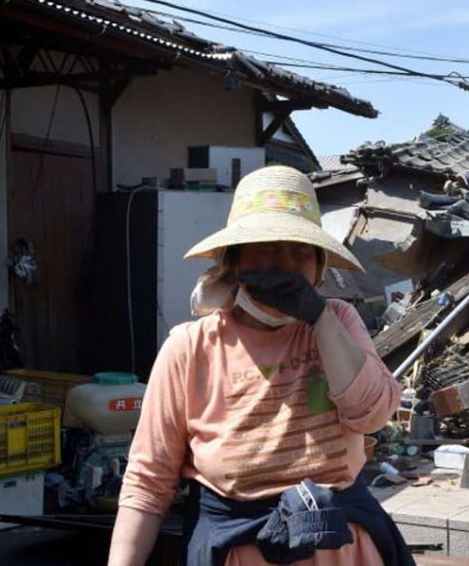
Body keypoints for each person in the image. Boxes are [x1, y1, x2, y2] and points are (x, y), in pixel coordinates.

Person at [108, 165, 412, 566]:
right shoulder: (191, 347)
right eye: (267, 246)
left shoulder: (337, 322)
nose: (285, 264)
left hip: (343, 548)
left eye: (300, 250)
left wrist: (320, 319)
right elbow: (148, 481)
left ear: (319, 266)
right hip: (239, 548)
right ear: (234, 262)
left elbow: (371, 414)